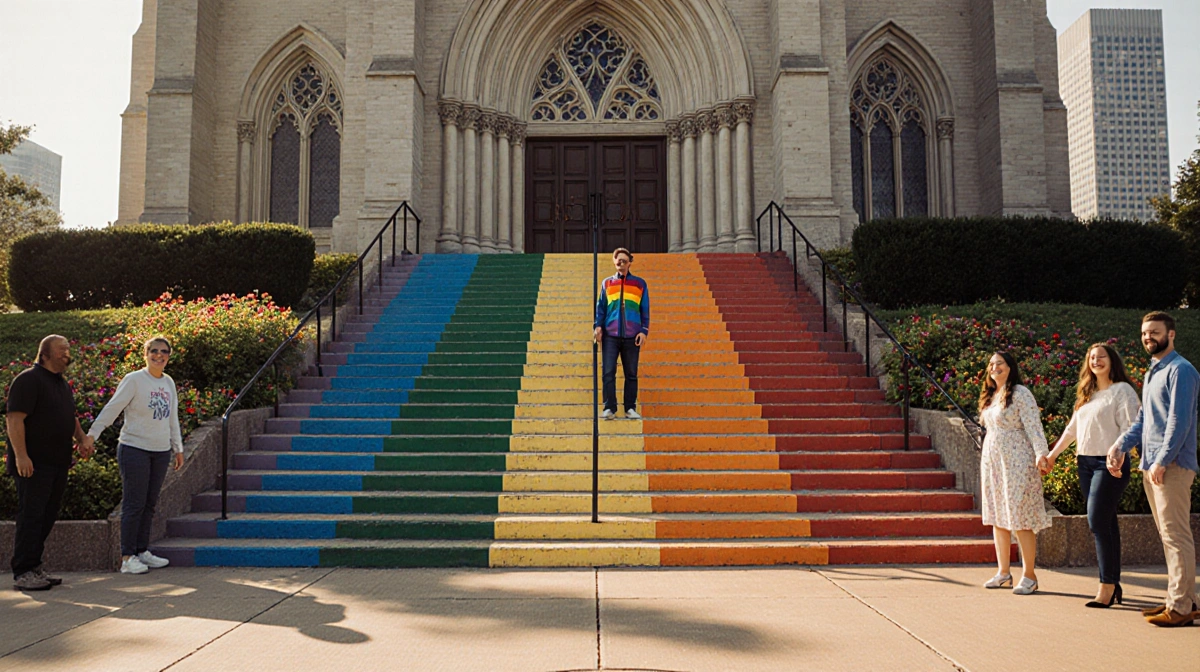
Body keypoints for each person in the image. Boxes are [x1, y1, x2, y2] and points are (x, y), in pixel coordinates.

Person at [1107, 312, 1199, 627]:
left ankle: (1180, 607)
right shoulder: (1153, 372)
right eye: (1145, 333)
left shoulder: (1181, 370)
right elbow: (1144, 420)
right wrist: (1119, 445)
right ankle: (1185, 599)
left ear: (1170, 334)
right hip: (1153, 465)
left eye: (1155, 332)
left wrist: (1162, 459)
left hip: (1171, 465)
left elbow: (1179, 421)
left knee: (1176, 536)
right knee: (1168, 535)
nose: (1148, 337)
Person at [1039, 344, 1140, 608]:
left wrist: (1122, 452)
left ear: (1112, 361)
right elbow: (1072, 430)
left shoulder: (1122, 391)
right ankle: (1113, 582)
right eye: (1092, 358)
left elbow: (1133, 427)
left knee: (1096, 520)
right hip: (1084, 462)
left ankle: (1106, 586)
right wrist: (1052, 456)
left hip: (1109, 463)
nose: (1096, 361)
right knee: (1106, 522)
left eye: (1101, 356)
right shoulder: (1087, 394)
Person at [87, 337, 183, 575]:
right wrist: (92, 435)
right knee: (134, 503)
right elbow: (112, 408)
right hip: (134, 449)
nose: (159, 355)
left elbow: (173, 418)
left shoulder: (169, 382)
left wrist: (177, 448)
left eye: (164, 352)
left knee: (149, 504)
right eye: (154, 351)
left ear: (169, 356)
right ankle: (127, 557)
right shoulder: (134, 380)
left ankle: (141, 551)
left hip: (160, 452)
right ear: (145, 353)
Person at [6, 335, 95, 591]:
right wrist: (22, 456)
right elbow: (14, 420)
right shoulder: (28, 380)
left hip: (58, 463)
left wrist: (81, 439)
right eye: (61, 350)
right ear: (44, 354)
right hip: (34, 463)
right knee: (31, 517)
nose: (67, 353)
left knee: (46, 516)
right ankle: (23, 571)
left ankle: (35, 566)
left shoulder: (61, 384)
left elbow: (70, 416)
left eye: (68, 349)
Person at [978, 351, 1051, 595]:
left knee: (1020, 516)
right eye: (991, 364)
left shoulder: (1020, 393)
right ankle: (1003, 573)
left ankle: (1029, 575)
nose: (994, 367)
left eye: (999, 363)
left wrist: (1042, 454)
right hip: (994, 462)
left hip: (1017, 460)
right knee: (998, 514)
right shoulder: (992, 395)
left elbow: (1033, 425)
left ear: (1010, 367)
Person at [593, 247, 650, 420]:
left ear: (630, 263)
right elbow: (600, 309)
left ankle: (629, 408)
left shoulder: (640, 284)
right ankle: (610, 407)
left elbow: (644, 309)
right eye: (618, 260)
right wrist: (598, 327)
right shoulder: (606, 283)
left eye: (624, 260)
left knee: (631, 373)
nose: (621, 263)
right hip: (610, 335)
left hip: (632, 335)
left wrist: (644, 331)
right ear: (614, 262)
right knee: (608, 371)